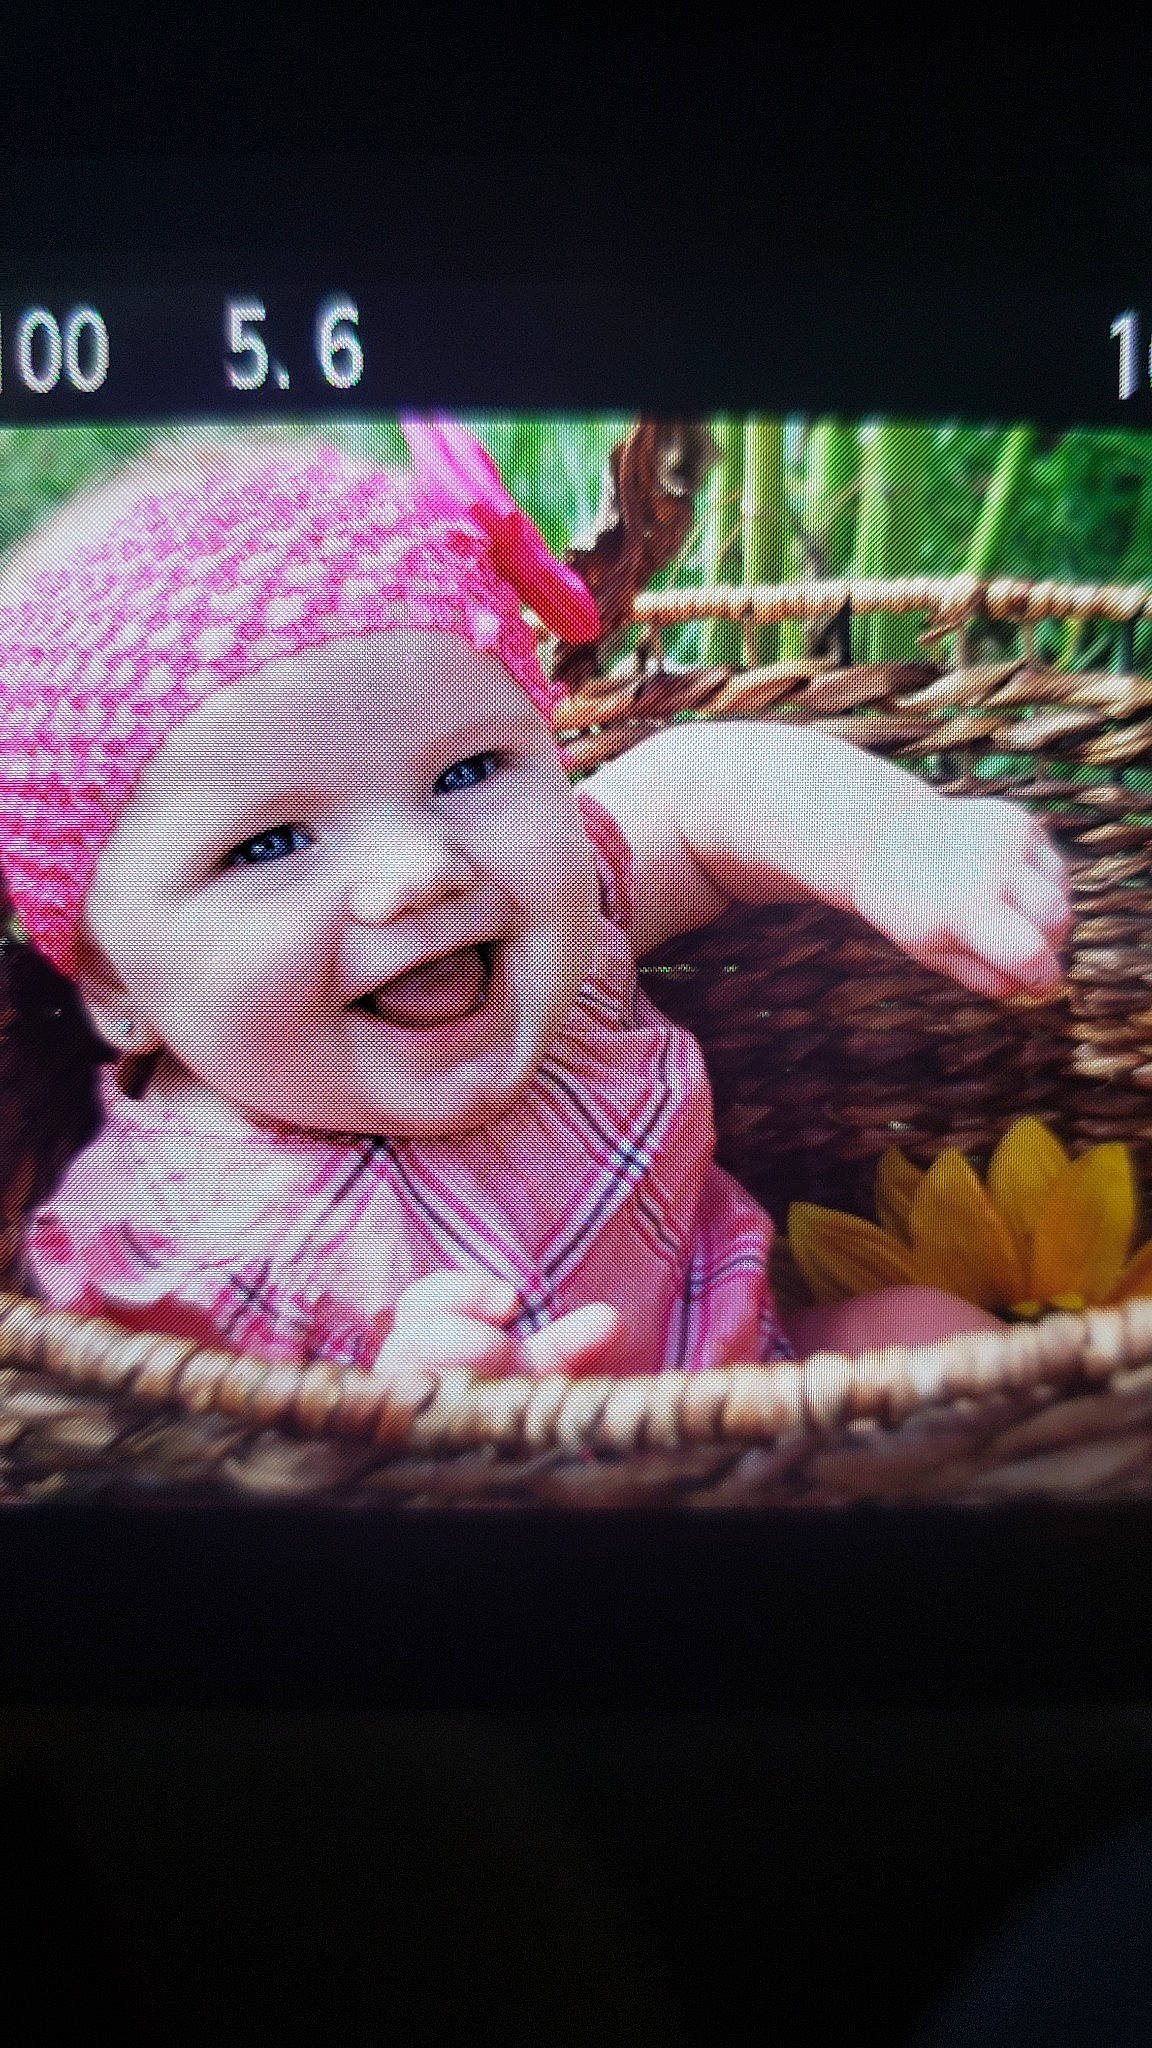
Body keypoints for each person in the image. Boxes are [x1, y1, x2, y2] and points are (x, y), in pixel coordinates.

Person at [0, 420, 1071, 1379]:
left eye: (467, 772)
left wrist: (899, 844)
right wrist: (376, 1422)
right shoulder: (172, 1240)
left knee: (934, 1338)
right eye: (274, 841)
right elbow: (170, 1456)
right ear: (116, 987)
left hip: (749, 1377)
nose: (420, 867)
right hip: (490, 1539)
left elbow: (698, 794)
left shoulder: (567, 914)